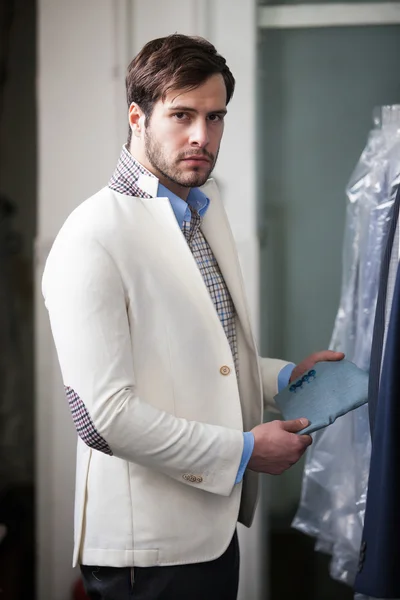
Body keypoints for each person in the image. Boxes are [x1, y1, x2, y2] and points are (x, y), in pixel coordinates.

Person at [42, 34, 342, 600]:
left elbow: (203, 356)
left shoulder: (201, 211)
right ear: (137, 116)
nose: (202, 136)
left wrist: (285, 379)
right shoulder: (90, 237)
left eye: (215, 117)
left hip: (209, 530)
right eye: (181, 115)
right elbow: (102, 420)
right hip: (146, 551)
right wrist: (246, 451)